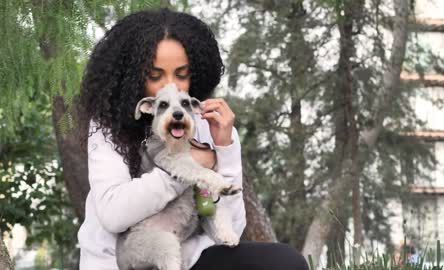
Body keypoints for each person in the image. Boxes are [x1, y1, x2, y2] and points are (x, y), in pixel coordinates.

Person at [77, 7, 309, 270]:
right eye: (155, 76)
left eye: (181, 74)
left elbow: (230, 229)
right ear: (132, 78)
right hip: (122, 261)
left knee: (285, 262)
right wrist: (188, 169)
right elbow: (113, 215)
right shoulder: (108, 128)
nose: (170, 85)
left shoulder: (207, 125)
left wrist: (225, 148)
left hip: (189, 257)